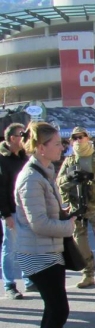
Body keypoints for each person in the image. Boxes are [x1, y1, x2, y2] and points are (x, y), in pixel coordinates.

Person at [14, 121, 79, 328]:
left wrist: (62, 212)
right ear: (41, 148)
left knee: (54, 311)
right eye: (56, 144)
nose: (61, 147)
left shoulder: (43, 172)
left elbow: (43, 216)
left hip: (48, 252)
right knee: (57, 311)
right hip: (39, 255)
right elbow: (38, 223)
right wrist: (68, 226)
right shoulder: (31, 178)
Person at [56, 126, 95, 288]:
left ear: (87, 138)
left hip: (94, 204)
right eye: (75, 137)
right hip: (76, 206)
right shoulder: (69, 161)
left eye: (81, 136)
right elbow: (58, 182)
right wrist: (69, 177)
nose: (78, 140)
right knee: (79, 242)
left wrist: (91, 176)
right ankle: (88, 274)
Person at [1, 122, 35, 299]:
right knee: (10, 248)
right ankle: (9, 284)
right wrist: (6, 215)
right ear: (12, 138)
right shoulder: (2, 159)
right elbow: (1, 189)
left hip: (25, 209)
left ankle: (29, 280)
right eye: (22, 134)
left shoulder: (24, 157)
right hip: (11, 211)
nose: (26, 137)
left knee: (26, 246)